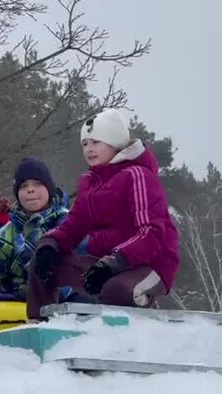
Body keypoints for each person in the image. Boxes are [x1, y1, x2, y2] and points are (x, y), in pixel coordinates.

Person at [27, 109, 181, 318]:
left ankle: (143, 314)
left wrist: (113, 264)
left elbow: (151, 233)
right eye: (85, 144)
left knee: (116, 291)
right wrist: (49, 245)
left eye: (95, 142)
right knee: (42, 262)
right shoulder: (91, 184)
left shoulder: (138, 176)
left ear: (114, 142)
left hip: (149, 267)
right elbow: (73, 226)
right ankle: (42, 326)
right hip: (104, 265)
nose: (89, 149)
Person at [0, 158, 70, 303]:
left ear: (49, 188)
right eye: (24, 186)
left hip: (62, 302)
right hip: (18, 305)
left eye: (37, 184)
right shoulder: (7, 233)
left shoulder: (68, 222)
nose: (30, 190)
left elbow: (77, 268)